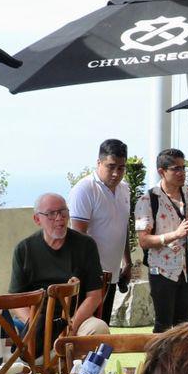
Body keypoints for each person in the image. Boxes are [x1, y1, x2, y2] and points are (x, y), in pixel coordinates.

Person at [9, 193, 109, 335]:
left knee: (99, 329)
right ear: (37, 219)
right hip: (37, 322)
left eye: (63, 211)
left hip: (76, 319)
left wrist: (71, 325)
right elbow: (16, 299)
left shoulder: (86, 245)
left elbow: (94, 296)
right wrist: (37, 327)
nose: (59, 218)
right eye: (51, 214)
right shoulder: (24, 249)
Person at [135, 147, 188, 333]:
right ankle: (158, 362)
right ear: (161, 171)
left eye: (184, 168)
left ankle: (181, 362)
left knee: (184, 326)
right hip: (162, 271)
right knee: (163, 326)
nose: (182, 173)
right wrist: (176, 234)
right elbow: (144, 241)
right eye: (176, 169)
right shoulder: (148, 200)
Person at [67, 139, 133, 325]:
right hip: (90, 276)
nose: (116, 173)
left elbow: (123, 226)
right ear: (98, 163)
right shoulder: (85, 189)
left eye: (121, 168)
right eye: (110, 166)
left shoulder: (125, 189)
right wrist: (93, 272)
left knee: (102, 326)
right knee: (85, 328)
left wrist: (126, 261)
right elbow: (79, 236)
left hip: (111, 274)